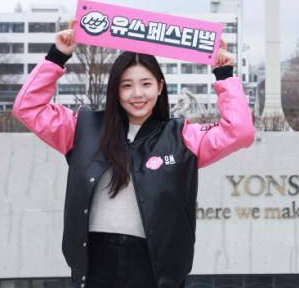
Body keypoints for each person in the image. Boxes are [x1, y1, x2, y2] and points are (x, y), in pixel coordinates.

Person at [13, 21, 255, 288]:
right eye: (127, 85)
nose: (137, 94)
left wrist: (224, 74)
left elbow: (240, 132)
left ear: (160, 87)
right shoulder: (82, 128)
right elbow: (27, 108)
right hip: (94, 266)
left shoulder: (182, 137)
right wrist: (58, 56)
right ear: (116, 90)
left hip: (153, 270)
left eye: (146, 84)